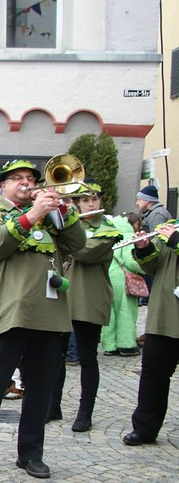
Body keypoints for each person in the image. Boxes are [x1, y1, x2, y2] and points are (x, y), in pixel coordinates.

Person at [0, 159, 85, 480]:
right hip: (6, 313)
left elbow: (79, 245)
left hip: (47, 313)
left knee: (40, 389)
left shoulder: (51, 218)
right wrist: (35, 214)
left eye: (31, 178)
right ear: (3, 185)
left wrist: (65, 214)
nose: (27, 183)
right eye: (18, 179)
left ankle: (30, 455)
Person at [49, 181, 121, 432]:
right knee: (55, 355)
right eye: (85, 200)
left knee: (87, 358)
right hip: (63, 296)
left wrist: (65, 235)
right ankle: (52, 405)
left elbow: (85, 252)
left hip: (89, 298)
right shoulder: (72, 225)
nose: (91, 203)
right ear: (78, 203)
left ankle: (85, 412)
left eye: (94, 199)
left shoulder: (107, 228)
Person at [123, 216, 178, 446]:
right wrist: (144, 249)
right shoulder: (173, 225)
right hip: (164, 315)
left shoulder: (174, 234)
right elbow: (154, 267)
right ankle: (145, 429)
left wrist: (175, 240)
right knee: (153, 376)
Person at [101, 213, 142, 357]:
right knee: (126, 311)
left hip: (107, 275)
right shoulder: (129, 236)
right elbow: (130, 261)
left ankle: (110, 345)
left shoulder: (109, 234)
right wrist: (145, 266)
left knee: (110, 313)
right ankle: (126, 345)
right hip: (123, 278)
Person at [135, 185, 172, 292]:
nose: (137, 203)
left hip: (158, 258)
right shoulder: (153, 213)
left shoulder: (157, 215)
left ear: (148, 201)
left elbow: (158, 240)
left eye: (139, 199)